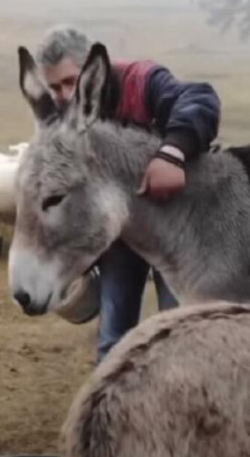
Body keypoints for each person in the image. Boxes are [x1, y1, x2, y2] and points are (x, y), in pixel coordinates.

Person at [34, 25, 221, 362]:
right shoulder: (66, 118)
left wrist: (171, 154)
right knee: (112, 340)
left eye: (70, 81)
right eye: (54, 87)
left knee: (176, 332)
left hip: (171, 229)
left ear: (95, 69)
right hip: (120, 240)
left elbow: (199, 99)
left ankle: (178, 406)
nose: (63, 95)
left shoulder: (142, 80)